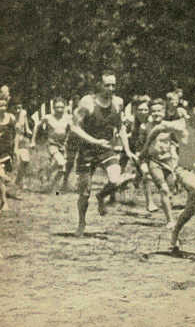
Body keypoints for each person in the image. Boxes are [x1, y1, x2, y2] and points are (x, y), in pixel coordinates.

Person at [141, 97, 195, 249]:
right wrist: (145, 149)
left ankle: (174, 234)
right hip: (183, 170)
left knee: (190, 209)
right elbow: (158, 128)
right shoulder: (180, 125)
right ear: (190, 111)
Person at [71, 72, 136, 237]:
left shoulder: (118, 102)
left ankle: (101, 196)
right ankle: (81, 222)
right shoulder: (88, 102)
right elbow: (74, 127)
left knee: (115, 179)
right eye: (107, 85)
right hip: (87, 150)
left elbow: (120, 127)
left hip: (106, 148)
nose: (111, 88)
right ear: (100, 85)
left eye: (114, 85)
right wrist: (94, 141)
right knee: (84, 194)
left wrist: (127, 150)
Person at [139, 99, 177, 227]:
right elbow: (141, 145)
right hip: (153, 161)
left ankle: (168, 209)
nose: (156, 113)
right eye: (153, 111)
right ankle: (170, 220)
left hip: (168, 161)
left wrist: (175, 152)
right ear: (150, 112)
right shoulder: (145, 127)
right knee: (164, 189)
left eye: (159, 111)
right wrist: (142, 161)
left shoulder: (170, 126)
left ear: (164, 112)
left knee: (170, 188)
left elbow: (177, 142)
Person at [31, 97, 71, 193]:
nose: (60, 110)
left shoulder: (68, 118)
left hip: (63, 145)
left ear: (65, 108)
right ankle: (48, 180)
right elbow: (37, 126)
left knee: (62, 169)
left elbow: (73, 129)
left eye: (62, 107)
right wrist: (33, 141)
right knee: (62, 163)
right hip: (52, 144)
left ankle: (50, 183)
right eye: (57, 107)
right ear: (53, 108)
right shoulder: (48, 117)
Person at [11, 98, 32, 189]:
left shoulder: (23, 113)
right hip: (12, 140)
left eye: (19, 108)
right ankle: (17, 182)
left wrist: (28, 130)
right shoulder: (10, 116)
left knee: (25, 161)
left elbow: (26, 124)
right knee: (17, 161)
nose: (18, 110)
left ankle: (18, 180)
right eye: (16, 108)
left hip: (23, 139)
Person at [0, 99, 16, 211]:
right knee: (0, 176)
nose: (2, 108)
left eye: (4, 105)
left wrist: (14, 149)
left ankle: (4, 202)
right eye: (0, 106)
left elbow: (15, 134)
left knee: (0, 177)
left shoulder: (11, 118)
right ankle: (4, 203)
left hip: (5, 152)